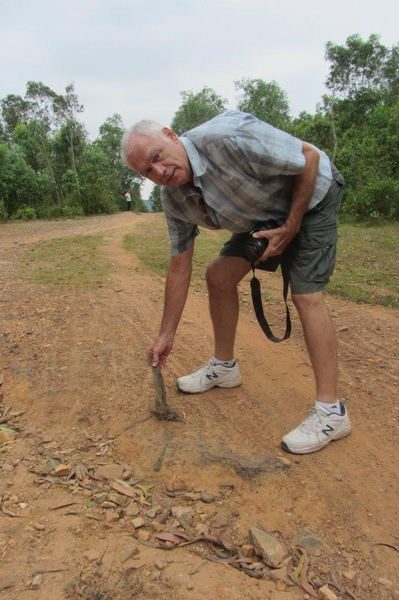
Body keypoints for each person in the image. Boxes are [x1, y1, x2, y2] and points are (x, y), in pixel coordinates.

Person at [120, 110, 351, 455]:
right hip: (262, 214)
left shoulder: (227, 138)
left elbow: (309, 157)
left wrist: (291, 227)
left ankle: (331, 413)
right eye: (147, 172)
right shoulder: (174, 200)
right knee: (218, 276)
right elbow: (180, 267)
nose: (160, 172)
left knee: (305, 295)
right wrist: (166, 335)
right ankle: (224, 368)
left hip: (312, 196)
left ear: (170, 135)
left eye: (157, 158)